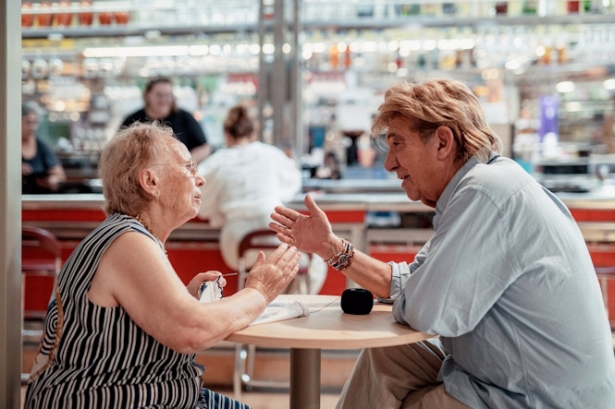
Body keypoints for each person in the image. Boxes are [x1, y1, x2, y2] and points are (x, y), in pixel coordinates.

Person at [269, 79, 615, 408]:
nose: (389, 163)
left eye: (397, 144)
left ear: (442, 142)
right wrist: (329, 246)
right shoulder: (483, 185)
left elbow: (426, 310)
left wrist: (417, 294)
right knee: (389, 355)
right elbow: (411, 285)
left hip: (531, 399)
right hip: (512, 381)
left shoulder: (485, 193)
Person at [24, 122, 300, 409]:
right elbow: (191, 331)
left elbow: (146, 328)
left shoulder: (127, 235)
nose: (200, 179)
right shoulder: (127, 240)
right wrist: (260, 290)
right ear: (151, 182)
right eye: (189, 167)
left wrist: (185, 298)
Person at [197, 104, 326, 294]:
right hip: (274, 233)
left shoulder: (217, 161)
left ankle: (259, 304)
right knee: (315, 261)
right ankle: (291, 307)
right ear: (254, 131)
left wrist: (220, 213)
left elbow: (199, 200)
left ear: (226, 133)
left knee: (270, 265)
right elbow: (292, 183)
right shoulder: (270, 154)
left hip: (236, 245)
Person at [121, 77, 211, 163]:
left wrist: (186, 162)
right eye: (159, 95)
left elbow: (204, 147)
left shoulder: (185, 118)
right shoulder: (133, 120)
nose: (163, 100)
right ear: (148, 95)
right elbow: (119, 150)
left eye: (167, 95)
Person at [21, 103, 66, 194]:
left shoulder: (42, 147)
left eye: (35, 123)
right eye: (28, 122)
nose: (32, 127)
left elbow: (60, 175)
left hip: (37, 199)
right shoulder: (7, 147)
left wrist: (52, 180)